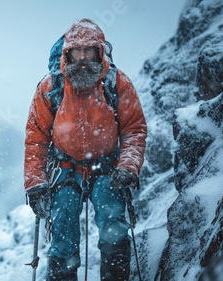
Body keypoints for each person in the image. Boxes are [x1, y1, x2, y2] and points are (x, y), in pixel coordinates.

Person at [24, 18, 147, 281]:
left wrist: (128, 165)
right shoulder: (50, 88)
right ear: (66, 53)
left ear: (99, 52)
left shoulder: (116, 83)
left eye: (88, 51)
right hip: (65, 169)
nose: (81, 58)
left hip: (108, 168)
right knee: (63, 234)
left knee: (113, 227)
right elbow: (36, 139)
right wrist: (35, 183)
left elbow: (133, 129)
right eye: (76, 52)